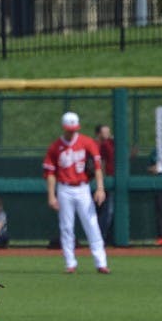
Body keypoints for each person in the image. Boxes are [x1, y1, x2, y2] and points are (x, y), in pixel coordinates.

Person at [43, 111, 110, 274]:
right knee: (66, 227)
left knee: (92, 224)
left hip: (83, 188)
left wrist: (100, 188)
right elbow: (50, 173)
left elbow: (97, 167)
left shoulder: (87, 142)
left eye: (74, 128)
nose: (72, 131)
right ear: (64, 127)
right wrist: (51, 195)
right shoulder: (55, 147)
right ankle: (70, 263)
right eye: (69, 128)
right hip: (64, 188)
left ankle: (101, 263)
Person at [94, 124, 115, 245]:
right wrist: (101, 181)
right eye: (105, 132)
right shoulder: (100, 145)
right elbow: (100, 164)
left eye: (108, 132)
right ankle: (99, 238)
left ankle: (104, 238)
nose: (108, 134)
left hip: (111, 181)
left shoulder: (111, 144)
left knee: (108, 211)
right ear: (99, 133)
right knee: (104, 211)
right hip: (102, 181)